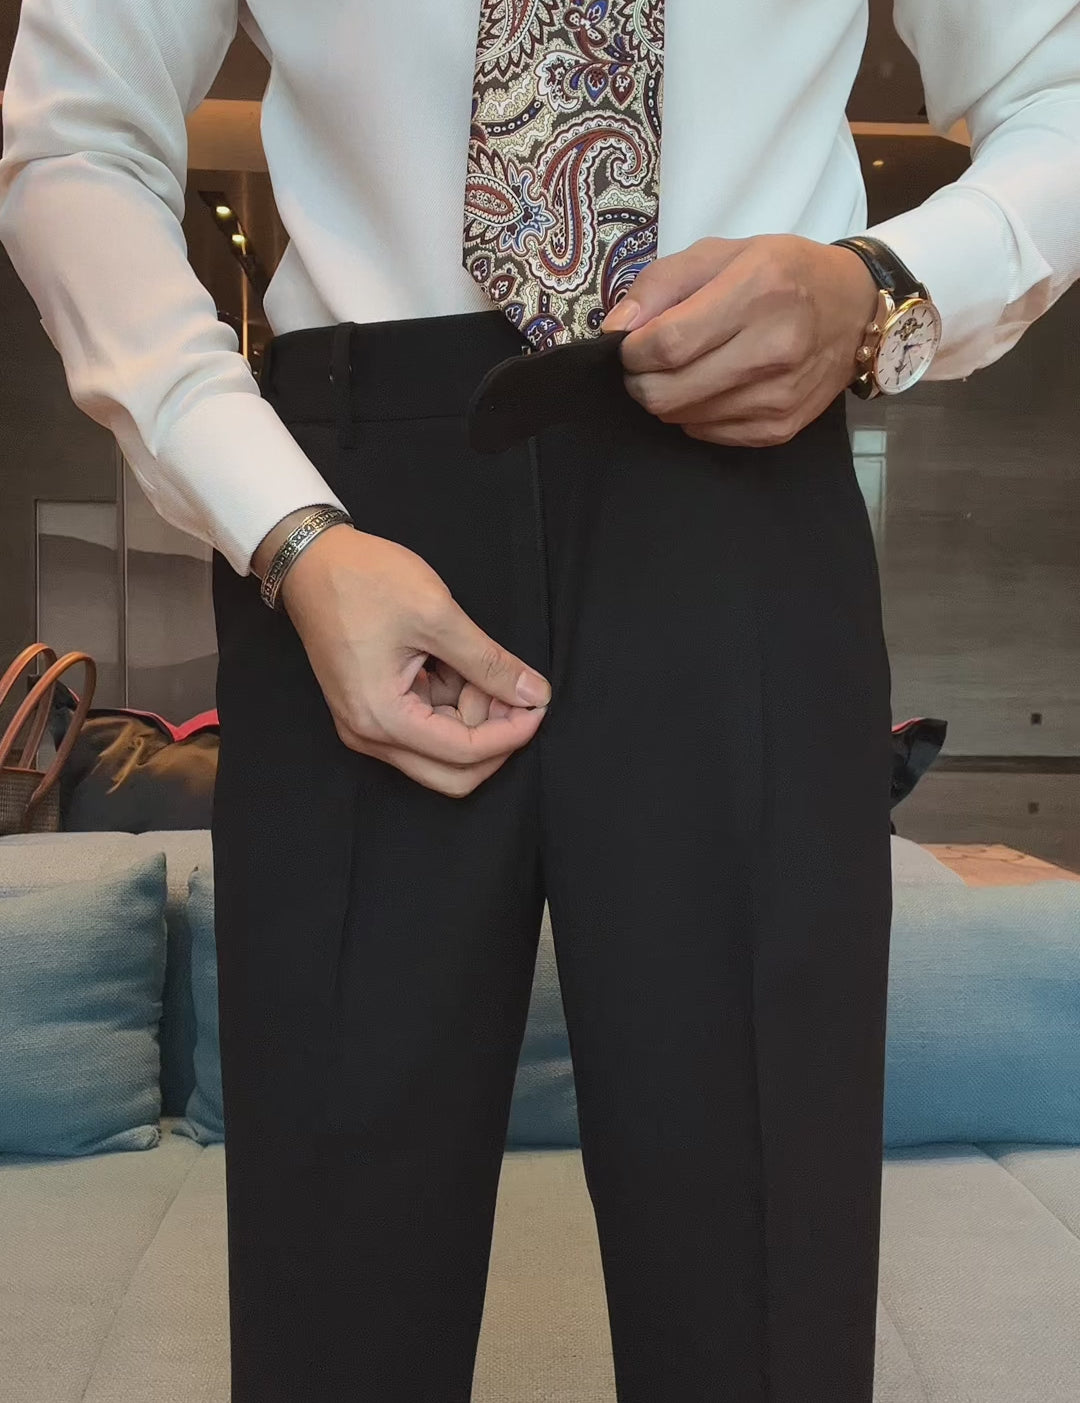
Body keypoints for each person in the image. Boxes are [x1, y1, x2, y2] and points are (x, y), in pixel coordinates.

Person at [1, 3, 1077, 1400]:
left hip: (739, 480)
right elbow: (75, 138)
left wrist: (885, 285)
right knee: (334, 1265)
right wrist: (280, 525)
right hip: (346, 517)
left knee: (761, 1264)